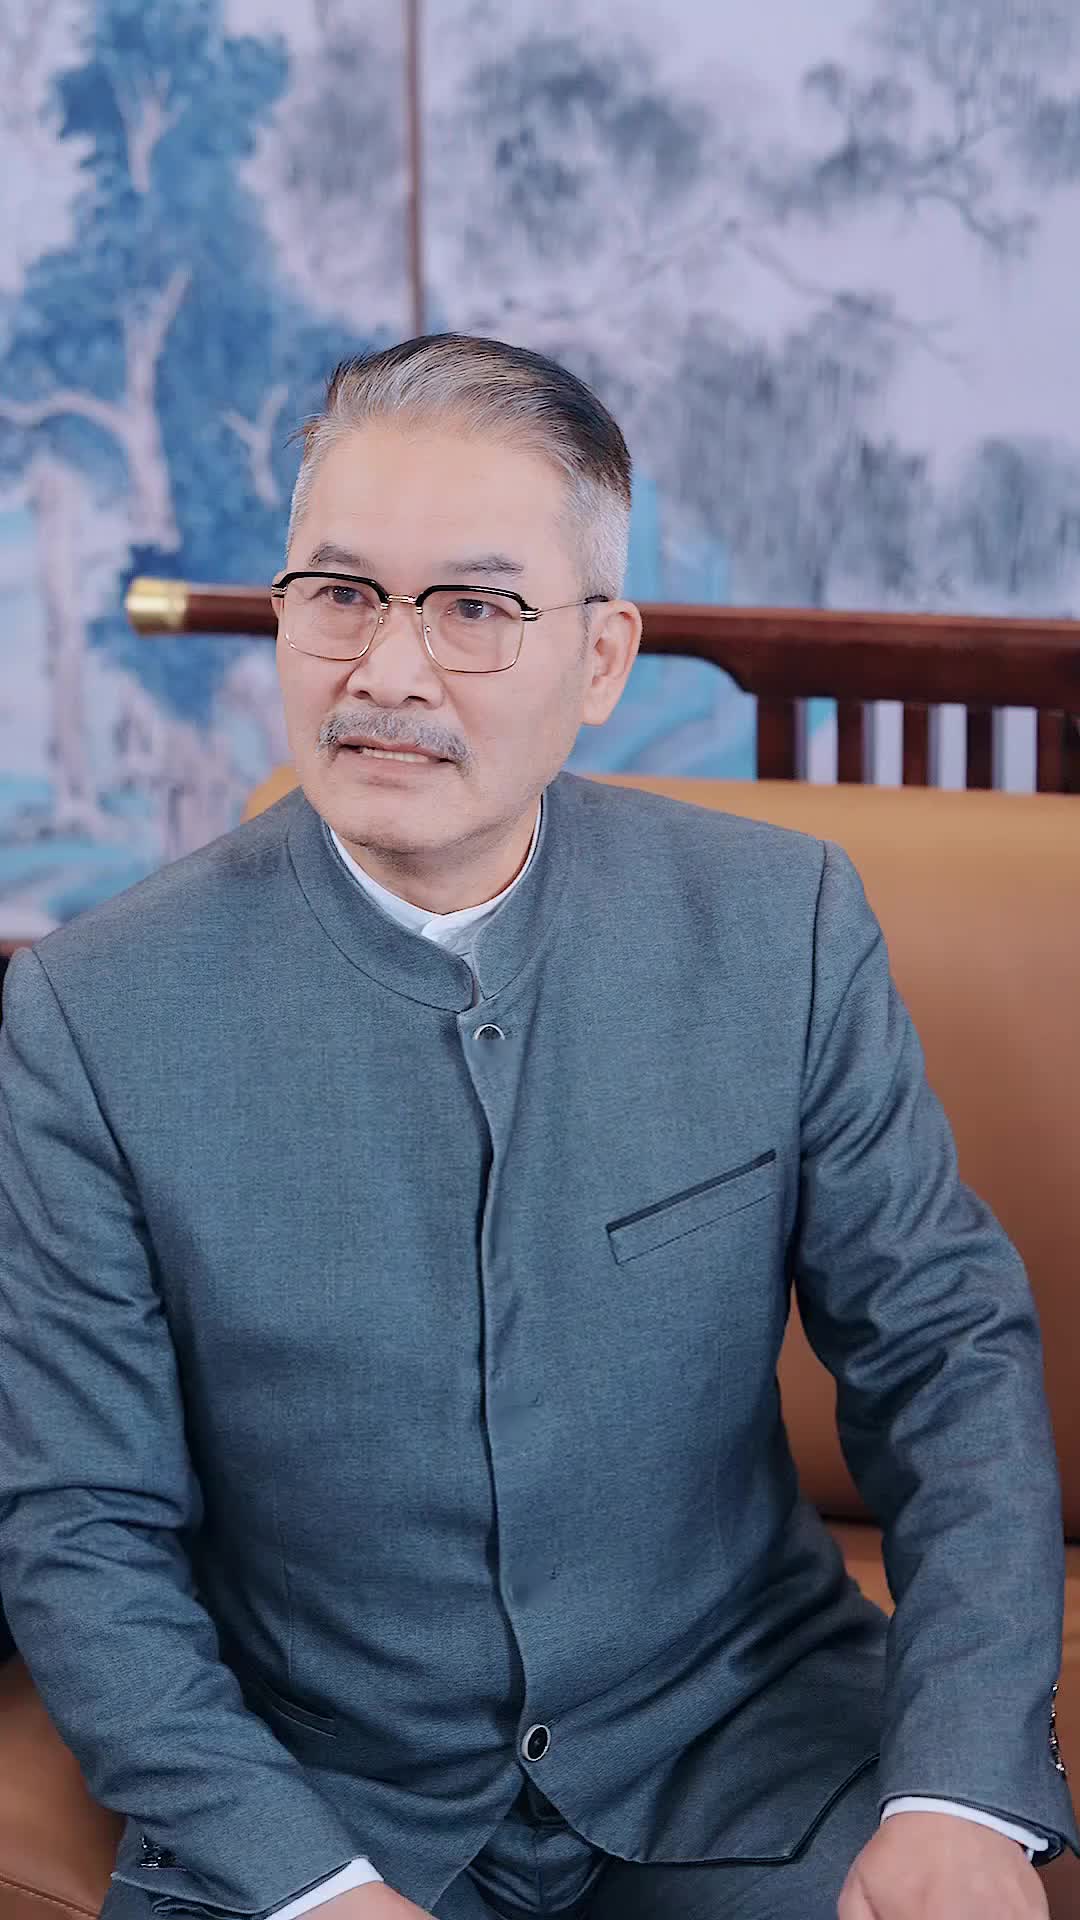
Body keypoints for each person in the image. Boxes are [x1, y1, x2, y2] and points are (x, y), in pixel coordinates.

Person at [0, 334, 1075, 1920]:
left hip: (745, 1747)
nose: (389, 673)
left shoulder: (778, 926)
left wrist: (958, 1789)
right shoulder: (92, 1013)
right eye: (341, 593)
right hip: (314, 1797)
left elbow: (945, 1357)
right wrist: (306, 1884)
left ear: (602, 657)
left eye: (476, 609)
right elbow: (81, 1527)